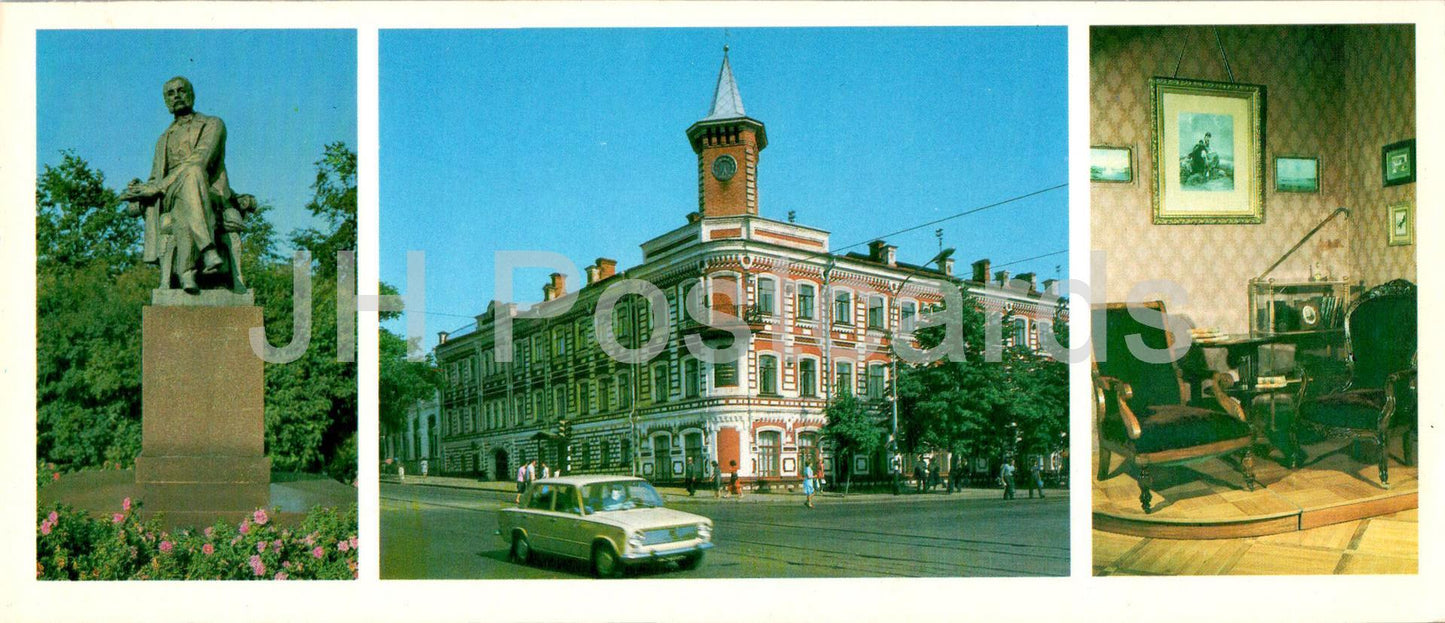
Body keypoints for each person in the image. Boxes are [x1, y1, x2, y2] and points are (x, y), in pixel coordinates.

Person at [119, 76, 233, 293]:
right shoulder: (163, 139)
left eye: (181, 90)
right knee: (188, 183)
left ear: (192, 94)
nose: (177, 96)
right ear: (166, 102)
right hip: (170, 192)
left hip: (208, 190)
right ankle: (208, 250)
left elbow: (201, 158)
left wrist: (159, 186)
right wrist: (140, 190)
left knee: (192, 176)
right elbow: (155, 179)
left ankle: (186, 271)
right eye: (170, 94)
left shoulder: (213, 124)